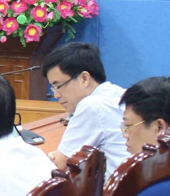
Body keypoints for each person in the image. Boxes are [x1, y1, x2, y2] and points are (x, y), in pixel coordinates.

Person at [43, 42, 129, 176]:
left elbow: (59, 166)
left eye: (58, 86)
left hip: (113, 187)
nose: (56, 95)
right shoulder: (120, 93)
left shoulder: (91, 105)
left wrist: (53, 157)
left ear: (84, 78)